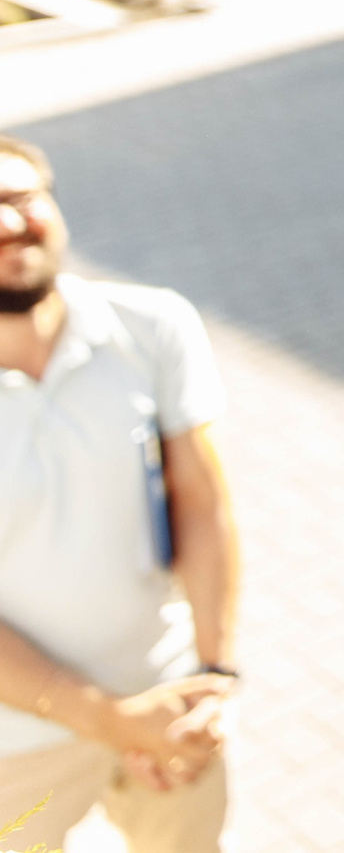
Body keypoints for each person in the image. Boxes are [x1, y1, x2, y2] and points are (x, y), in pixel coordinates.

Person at [0, 137, 242, 853]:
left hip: (171, 703)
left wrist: (214, 676)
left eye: (20, 198)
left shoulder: (153, 324)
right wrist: (112, 720)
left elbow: (201, 502)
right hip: (16, 738)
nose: (9, 224)